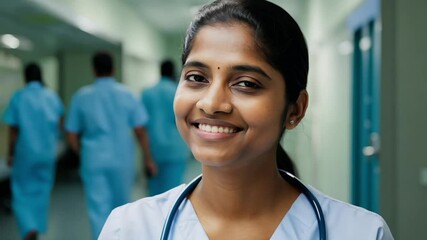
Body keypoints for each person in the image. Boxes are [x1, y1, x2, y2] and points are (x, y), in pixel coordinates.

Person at [99, 1, 394, 239]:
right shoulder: (129, 228)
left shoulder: (362, 232)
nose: (212, 103)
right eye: (197, 77)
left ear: (295, 109)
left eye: (247, 83)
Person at [65, 51, 154, 240]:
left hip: (93, 158)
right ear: (113, 69)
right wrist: (148, 158)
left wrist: (82, 152)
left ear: (93, 70)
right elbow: (140, 130)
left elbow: (71, 133)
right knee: (121, 207)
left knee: (98, 209)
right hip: (122, 158)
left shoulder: (82, 96)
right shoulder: (127, 94)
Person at [3, 63, 64, 240]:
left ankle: (28, 226)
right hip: (46, 153)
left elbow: (13, 130)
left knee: (21, 190)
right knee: (42, 189)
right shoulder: (51, 96)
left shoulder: (19, 97)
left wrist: (10, 154)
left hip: (25, 153)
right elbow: (61, 122)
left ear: (25, 76)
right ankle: (36, 225)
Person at [141, 59, 190, 196]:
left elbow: (142, 124)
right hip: (176, 149)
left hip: (154, 149)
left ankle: (154, 218)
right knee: (173, 192)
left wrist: (146, 156)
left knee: (154, 194)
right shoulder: (179, 92)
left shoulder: (147, 93)